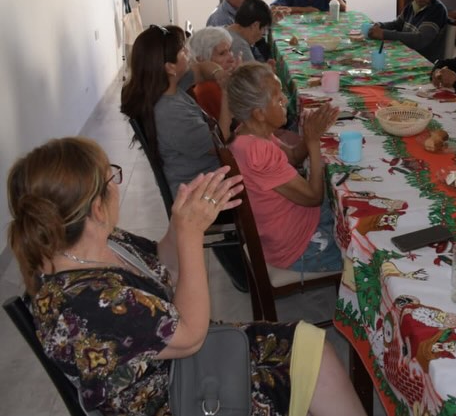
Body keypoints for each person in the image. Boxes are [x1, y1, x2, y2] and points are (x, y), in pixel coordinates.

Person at [7, 136, 366, 416]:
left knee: (313, 347)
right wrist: (193, 237)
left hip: (177, 368)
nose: (117, 182)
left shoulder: (96, 241)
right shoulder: (90, 303)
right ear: (97, 207)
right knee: (313, 357)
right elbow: (192, 335)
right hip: (174, 397)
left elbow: (163, 264)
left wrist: (181, 225)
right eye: (111, 176)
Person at [227, 63, 343, 272]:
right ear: (259, 113)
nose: (286, 101)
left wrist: (309, 135)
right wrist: (313, 142)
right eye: (279, 99)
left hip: (296, 222)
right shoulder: (258, 151)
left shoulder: (249, 132)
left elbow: (294, 157)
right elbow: (313, 197)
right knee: (363, 256)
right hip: (298, 245)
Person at [121, 25, 228, 198]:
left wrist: (219, 73)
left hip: (206, 178)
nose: (188, 52)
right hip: (199, 193)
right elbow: (221, 145)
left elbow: (201, 69)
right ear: (170, 67)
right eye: (183, 51)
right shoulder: (169, 113)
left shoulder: (167, 86)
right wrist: (227, 95)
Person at [368, 0, 449, 63]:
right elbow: (397, 24)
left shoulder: (437, 10)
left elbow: (420, 39)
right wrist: (380, 25)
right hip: (406, 54)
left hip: (423, 62)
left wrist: (383, 33)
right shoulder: (411, 6)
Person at [188, 26, 237, 120]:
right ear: (202, 60)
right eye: (222, 53)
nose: (231, 58)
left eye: (230, 50)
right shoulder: (208, 89)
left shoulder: (222, 82)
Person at [228, 0, 273, 64]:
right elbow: (253, 71)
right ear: (255, 25)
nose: (262, 35)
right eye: (264, 29)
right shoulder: (240, 46)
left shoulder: (228, 29)